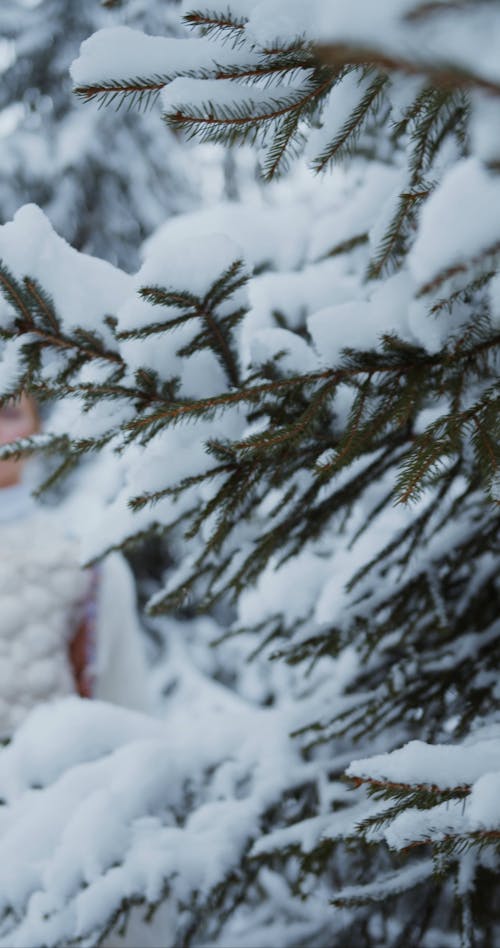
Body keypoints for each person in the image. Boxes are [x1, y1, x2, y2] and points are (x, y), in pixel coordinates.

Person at [0, 394, 150, 740]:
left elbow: (123, 703)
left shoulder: (83, 557)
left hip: (45, 785)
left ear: (36, 429)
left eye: (9, 413)